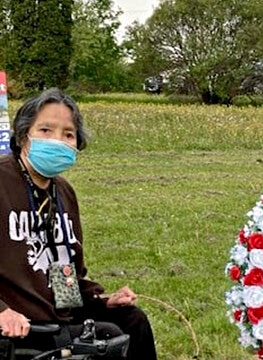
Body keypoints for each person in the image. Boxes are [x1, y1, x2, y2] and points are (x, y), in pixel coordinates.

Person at [0, 88, 157, 360]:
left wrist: (102, 299)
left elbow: (66, 271)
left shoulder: (63, 192)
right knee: (106, 335)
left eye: (68, 134)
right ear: (24, 135)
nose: (57, 141)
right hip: (19, 322)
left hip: (58, 310)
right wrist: (2, 312)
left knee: (132, 320)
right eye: (46, 130)